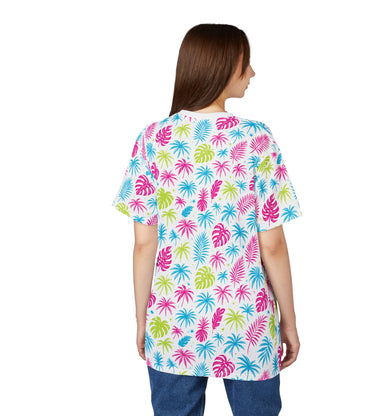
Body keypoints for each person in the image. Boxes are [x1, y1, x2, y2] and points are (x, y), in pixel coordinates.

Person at [112, 23, 302, 416]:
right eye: (246, 63)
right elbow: (272, 245)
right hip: (247, 321)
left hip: (173, 320)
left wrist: (142, 318)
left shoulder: (153, 139)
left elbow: (144, 244)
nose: (252, 73)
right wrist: (289, 321)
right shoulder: (256, 139)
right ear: (224, 65)